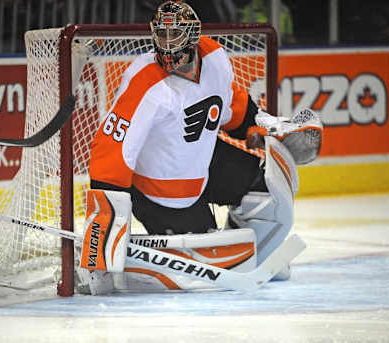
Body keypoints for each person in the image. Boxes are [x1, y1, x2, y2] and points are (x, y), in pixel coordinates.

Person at [83, 0, 322, 294]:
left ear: (193, 35)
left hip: (206, 161)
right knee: (202, 280)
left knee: (268, 187)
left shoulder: (214, 57)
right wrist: (101, 241)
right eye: (162, 34)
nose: (168, 43)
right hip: (162, 194)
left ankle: (254, 251)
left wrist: (254, 125)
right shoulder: (143, 81)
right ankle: (224, 250)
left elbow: (229, 103)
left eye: (176, 35)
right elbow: (112, 151)